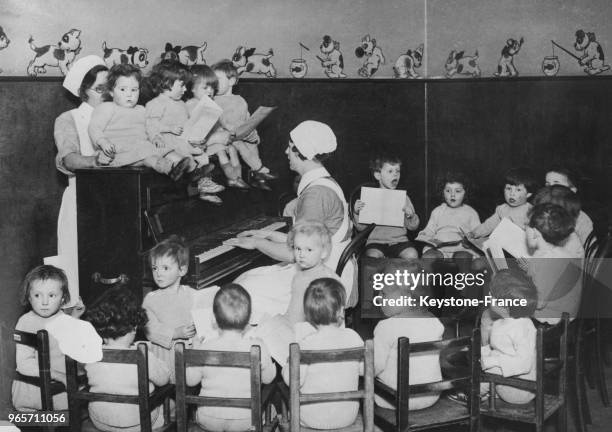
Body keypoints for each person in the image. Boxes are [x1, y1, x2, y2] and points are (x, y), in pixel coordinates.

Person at [226, 120, 355, 315]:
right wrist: (266, 235)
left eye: (289, 147)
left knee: (239, 293)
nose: (286, 152)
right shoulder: (323, 183)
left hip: (322, 282)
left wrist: (257, 243)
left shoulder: (316, 194)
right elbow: (308, 240)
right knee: (246, 280)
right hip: (322, 266)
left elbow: (293, 254)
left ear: (300, 151)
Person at [54, 55, 109, 301]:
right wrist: (94, 161)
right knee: (81, 273)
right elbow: (68, 158)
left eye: (111, 87)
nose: (107, 95)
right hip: (83, 202)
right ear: (83, 91)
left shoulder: (119, 116)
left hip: (119, 199)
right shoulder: (70, 119)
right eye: (100, 89)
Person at [186, 283, 275, 432]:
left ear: (214, 319)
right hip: (245, 419)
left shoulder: (204, 348)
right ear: (249, 320)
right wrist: (266, 356)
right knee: (271, 409)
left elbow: (190, 380)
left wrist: (194, 350)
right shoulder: (257, 346)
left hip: (209, 417)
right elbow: (268, 379)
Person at [281, 278, 364, 429]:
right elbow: (364, 370)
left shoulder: (306, 344)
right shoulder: (354, 337)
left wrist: (288, 363)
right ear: (340, 311)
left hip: (312, 419)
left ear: (308, 314)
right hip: (347, 416)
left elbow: (293, 381)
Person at [84, 288, 170, 431]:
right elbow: (164, 379)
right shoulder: (142, 353)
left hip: (100, 420)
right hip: (137, 423)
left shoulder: (90, 353)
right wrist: (153, 357)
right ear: (135, 327)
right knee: (163, 405)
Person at [88, 64, 193, 180]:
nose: (129, 94)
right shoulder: (107, 107)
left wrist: (155, 138)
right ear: (111, 92)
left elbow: (150, 128)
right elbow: (94, 127)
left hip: (141, 147)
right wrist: (103, 142)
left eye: (134, 90)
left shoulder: (141, 109)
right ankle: (167, 168)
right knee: (146, 154)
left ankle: (188, 169)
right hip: (118, 152)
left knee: (164, 149)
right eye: (123, 89)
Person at [144, 60, 222, 203]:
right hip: (166, 143)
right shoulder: (155, 104)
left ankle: (205, 187)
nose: (185, 89)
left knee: (202, 155)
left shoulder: (180, 103)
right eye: (182, 85)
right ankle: (197, 182)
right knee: (187, 161)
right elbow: (151, 125)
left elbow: (187, 125)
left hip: (182, 141)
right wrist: (160, 134)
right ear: (166, 83)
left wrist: (196, 138)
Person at [373, 261, 444, 411]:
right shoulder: (435, 322)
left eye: (384, 293)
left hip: (395, 399)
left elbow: (374, 367)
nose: (379, 297)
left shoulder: (386, 327)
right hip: (431, 395)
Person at [12, 265, 78, 410]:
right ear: (29, 297)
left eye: (51, 295)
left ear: (63, 298)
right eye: (37, 295)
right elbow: (24, 364)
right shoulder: (26, 322)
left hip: (60, 396)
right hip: (32, 395)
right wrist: (58, 375)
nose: (44, 302)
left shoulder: (65, 320)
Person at [211, 60, 277, 190]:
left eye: (217, 79)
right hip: (225, 136)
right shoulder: (214, 100)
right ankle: (259, 169)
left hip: (241, 134)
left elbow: (247, 119)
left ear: (231, 81)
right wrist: (231, 130)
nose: (213, 84)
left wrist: (254, 134)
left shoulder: (240, 100)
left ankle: (256, 176)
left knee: (252, 144)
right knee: (240, 145)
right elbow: (220, 121)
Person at [142, 235, 196, 382]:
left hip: (189, 357)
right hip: (165, 357)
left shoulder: (191, 294)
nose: (158, 273)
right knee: (169, 393)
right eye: (155, 268)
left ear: (182, 270)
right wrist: (175, 333)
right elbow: (149, 329)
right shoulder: (151, 299)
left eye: (165, 268)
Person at [480, 269, 538, 404]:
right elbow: (499, 350)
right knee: (481, 365)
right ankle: (485, 392)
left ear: (505, 305)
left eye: (492, 295)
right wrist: (484, 355)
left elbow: (524, 364)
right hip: (511, 382)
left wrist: (493, 362)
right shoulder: (502, 321)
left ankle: (473, 394)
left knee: (479, 377)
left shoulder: (522, 327)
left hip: (522, 389)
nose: (488, 295)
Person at [186, 64, 245, 196]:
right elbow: (192, 132)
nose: (210, 91)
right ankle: (231, 178)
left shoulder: (210, 103)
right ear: (192, 89)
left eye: (213, 87)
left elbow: (219, 122)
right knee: (221, 151)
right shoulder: (190, 104)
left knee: (232, 149)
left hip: (210, 139)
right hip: (201, 144)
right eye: (205, 87)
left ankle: (237, 178)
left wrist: (227, 129)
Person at [525, 203, 583, 324]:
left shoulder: (546, 262)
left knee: (492, 314)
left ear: (535, 233)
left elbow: (538, 303)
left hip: (550, 320)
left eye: (527, 226)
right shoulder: (562, 253)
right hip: (564, 314)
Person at [354, 154, 420, 260]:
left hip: (400, 241)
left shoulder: (403, 198)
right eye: (390, 171)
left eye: (397, 171)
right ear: (378, 175)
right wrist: (357, 213)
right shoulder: (370, 197)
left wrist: (411, 216)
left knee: (412, 254)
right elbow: (361, 228)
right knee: (372, 257)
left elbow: (413, 227)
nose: (395, 175)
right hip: (376, 242)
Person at [416, 171, 480, 271]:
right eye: (448, 191)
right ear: (442, 191)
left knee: (463, 258)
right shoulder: (438, 211)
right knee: (428, 257)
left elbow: (477, 235)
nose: (452, 195)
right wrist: (424, 234)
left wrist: (470, 240)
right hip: (439, 249)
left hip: (461, 249)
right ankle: (426, 283)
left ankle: (464, 284)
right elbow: (429, 229)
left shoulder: (470, 212)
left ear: (465, 192)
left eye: (458, 191)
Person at [284, 221, 339, 326]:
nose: (301, 255)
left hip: (308, 333)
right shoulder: (331, 274)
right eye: (298, 248)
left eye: (308, 250)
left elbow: (295, 319)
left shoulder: (301, 279)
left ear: (324, 252)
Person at [470, 167, 537, 238]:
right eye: (508, 188)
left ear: (528, 194)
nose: (512, 193)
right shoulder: (502, 209)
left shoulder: (531, 212)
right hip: (500, 243)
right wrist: (474, 233)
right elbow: (489, 225)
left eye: (518, 190)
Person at [544, 166, 594, 245]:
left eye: (556, 184)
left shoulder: (581, 219)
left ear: (572, 190)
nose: (550, 188)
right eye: (547, 184)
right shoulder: (541, 211)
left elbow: (591, 252)